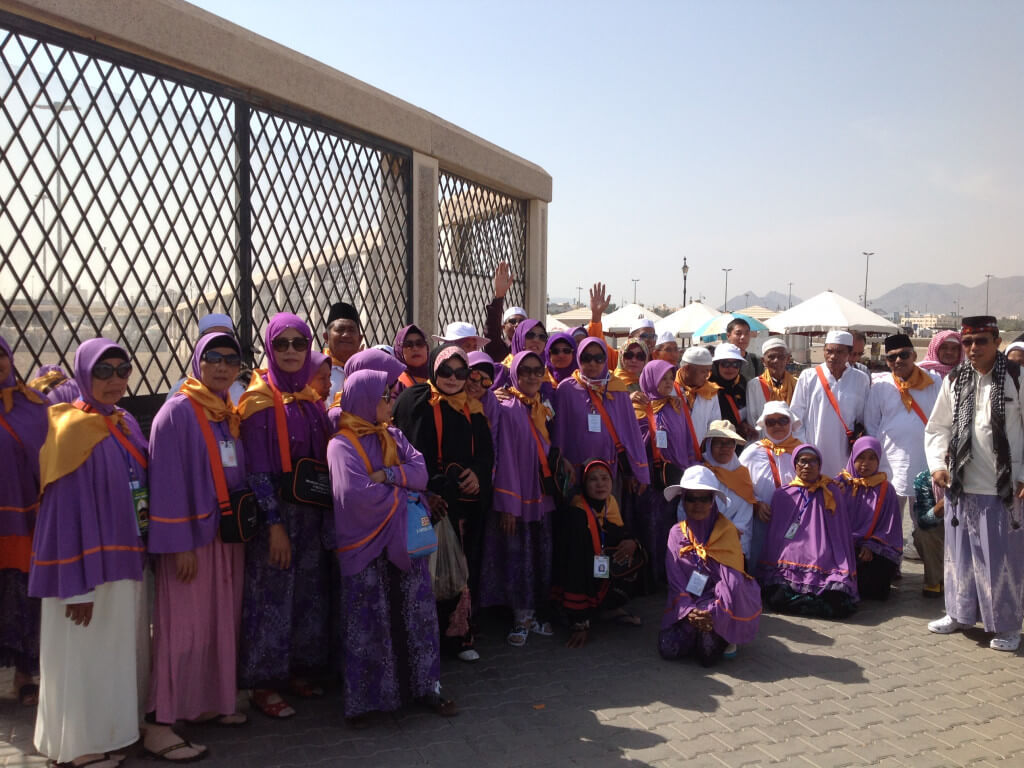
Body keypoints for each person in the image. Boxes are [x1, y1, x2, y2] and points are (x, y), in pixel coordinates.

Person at [30, 339, 165, 767]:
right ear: (83, 375)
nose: (114, 381)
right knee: (79, 660)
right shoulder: (70, 430)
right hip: (85, 573)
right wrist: (76, 589)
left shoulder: (123, 422)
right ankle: (76, 748)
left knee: (108, 658)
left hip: (121, 562)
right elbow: (62, 516)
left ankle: (104, 736)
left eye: (121, 370)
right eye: (102, 372)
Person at [329, 370, 454, 723]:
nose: (390, 401)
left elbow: (420, 472)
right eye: (384, 396)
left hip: (403, 542)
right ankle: (372, 700)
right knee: (371, 620)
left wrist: (390, 477)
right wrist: (407, 495)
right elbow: (353, 496)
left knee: (416, 616)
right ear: (366, 400)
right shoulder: (341, 444)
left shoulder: (394, 436)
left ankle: (425, 686)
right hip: (367, 546)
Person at [146, 333, 249, 740]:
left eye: (230, 359)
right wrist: (180, 545)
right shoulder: (177, 413)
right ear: (197, 361)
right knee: (184, 630)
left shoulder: (226, 411)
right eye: (213, 358)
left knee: (220, 625)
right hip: (192, 541)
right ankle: (164, 717)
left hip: (225, 538)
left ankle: (210, 703)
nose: (222, 366)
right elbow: (166, 484)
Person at [237, 313, 332, 717]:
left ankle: (294, 669)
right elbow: (257, 470)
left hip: (311, 514)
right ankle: (263, 682)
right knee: (271, 597)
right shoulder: (258, 401)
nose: (291, 351)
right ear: (269, 348)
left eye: (299, 343)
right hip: (277, 516)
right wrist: (274, 525)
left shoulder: (309, 400)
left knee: (307, 596)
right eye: (282, 344)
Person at [924, 315, 1024, 652]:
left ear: (997, 341)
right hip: (960, 486)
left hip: (1003, 487)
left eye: (981, 341)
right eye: (967, 342)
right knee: (959, 556)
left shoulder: (1016, 377)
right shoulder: (954, 379)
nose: (973, 348)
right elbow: (937, 427)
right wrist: (938, 464)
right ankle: (958, 614)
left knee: (1002, 560)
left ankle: (1007, 627)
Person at [392, 344, 494, 662]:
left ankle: (458, 636)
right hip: (424, 501)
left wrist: (478, 474)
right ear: (435, 370)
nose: (452, 378)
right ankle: (421, 642)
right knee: (423, 570)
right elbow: (403, 448)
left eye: (460, 372)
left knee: (458, 567)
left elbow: (485, 455)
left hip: (462, 504)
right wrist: (426, 492)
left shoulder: (472, 408)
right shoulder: (415, 399)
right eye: (446, 370)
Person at [480, 351, 558, 645]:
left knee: (538, 556)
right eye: (524, 370)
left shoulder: (542, 405)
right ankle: (520, 618)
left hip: (541, 494)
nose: (532, 376)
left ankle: (534, 613)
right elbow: (503, 457)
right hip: (517, 496)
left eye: (538, 370)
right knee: (517, 558)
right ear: (513, 372)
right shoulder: (505, 405)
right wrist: (508, 505)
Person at [659, 466, 761, 665]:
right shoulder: (676, 533)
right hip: (687, 602)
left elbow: (731, 583)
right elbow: (676, 581)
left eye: (704, 498)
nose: (697, 505)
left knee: (707, 656)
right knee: (668, 649)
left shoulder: (727, 532)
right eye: (691, 498)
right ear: (683, 500)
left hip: (718, 603)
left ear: (713, 501)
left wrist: (712, 612)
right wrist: (689, 610)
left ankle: (725, 631)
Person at [0, 335, 48, 708]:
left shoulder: (35, 407)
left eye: (0, 354)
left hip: (24, 523)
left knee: (22, 595)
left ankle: (24, 674)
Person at [551, 459, 645, 648]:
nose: (600, 484)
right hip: (581, 574)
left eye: (604, 478)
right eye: (593, 479)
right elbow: (574, 566)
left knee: (638, 558)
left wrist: (631, 542)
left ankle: (608, 610)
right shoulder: (577, 513)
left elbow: (621, 532)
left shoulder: (611, 504)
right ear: (584, 485)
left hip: (599, 568)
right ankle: (581, 615)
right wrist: (580, 623)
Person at [758, 443, 858, 619]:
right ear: (795, 465)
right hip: (789, 564)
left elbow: (840, 533)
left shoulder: (831, 491)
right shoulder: (783, 494)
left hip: (826, 562)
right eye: (802, 461)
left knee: (839, 602)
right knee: (777, 597)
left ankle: (805, 602)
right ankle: (810, 603)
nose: (807, 466)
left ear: (820, 465)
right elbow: (775, 537)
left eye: (813, 462)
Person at [551, 337, 650, 498]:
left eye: (599, 358)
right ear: (578, 358)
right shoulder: (567, 389)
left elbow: (631, 433)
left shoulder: (617, 389)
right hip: (575, 470)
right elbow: (559, 431)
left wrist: (640, 471)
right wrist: (559, 461)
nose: (593, 363)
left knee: (609, 516)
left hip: (608, 472)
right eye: (586, 358)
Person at [865, 333, 941, 536]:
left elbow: (944, 421)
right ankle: (892, 567)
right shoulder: (880, 385)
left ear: (914, 356)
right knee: (888, 525)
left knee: (926, 528)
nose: (898, 360)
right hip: (890, 464)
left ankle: (931, 567)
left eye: (904, 355)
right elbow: (871, 424)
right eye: (891, 357)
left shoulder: (934, 382)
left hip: (926, 464)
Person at [635, 360, 696, 583]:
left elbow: (687, 440)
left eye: (671, 378)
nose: (669, 383)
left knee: (675, 526)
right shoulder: (639, 407)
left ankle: (672, 574)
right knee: (652, 527)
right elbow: (635, 444)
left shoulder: (677, 406)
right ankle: (653, 576)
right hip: (651, 480)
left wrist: (688, 469)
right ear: (651, 379)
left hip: (676, 476)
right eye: (663, 379)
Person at [790, 330, 870, 477]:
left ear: (849, 353)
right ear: (824, 350)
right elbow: (796, 416)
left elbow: (862, 418)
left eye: (840, 352)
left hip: (845, 454)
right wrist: (805, 448)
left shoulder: (861, 379)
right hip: (813, 452)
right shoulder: (808, 376)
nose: (833, 356)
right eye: (829, 351)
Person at [837, 437, 902, 601]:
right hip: (842, 546)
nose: (866, 463)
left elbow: (890, 526)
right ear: (853, 458)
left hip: (871, 547)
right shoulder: (840, 484)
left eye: (872, 458)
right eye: (861, 457)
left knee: (876, 588)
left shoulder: (886, 489)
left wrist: (871, 545)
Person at [739, 402, 802, 570]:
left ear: (791, 422)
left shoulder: (802, 451)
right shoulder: (751, 452)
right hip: (762, 519)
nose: (777, 426)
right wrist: (756, 503)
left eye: (782, 420)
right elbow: (738, 484)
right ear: (764, 425)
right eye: (771, 422)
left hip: (795, 519)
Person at [700, 421, 755, 559]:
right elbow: (688, 507)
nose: (724, 448)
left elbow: (746, 510)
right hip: (703, 539)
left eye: (729, 443)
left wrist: (731, 531)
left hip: (735, 540)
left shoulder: (742, 474)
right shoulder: (700, 473)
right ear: (710, 445)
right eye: (719, 442)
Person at [164, 313, 246, 403]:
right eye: (210, 338)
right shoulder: (179, 396)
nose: (220, 342)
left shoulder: (245, 389)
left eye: (226, 337)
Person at [745, 337, 796, 429]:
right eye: (771, 357)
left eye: (781, 357)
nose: (776, 360)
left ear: (788, 359)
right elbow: (752, 420)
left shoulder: (797, 384)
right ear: (763, 361)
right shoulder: (755, 385)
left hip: (793, 438)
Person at [675, 346, 722, 446]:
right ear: (687, 369)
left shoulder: (711, 391)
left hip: (699, 455)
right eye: (703, 371)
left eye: (709, 370)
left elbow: (714, 425)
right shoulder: (669, 389)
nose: (707, 375)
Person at [911, 469, 945, 598]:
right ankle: (935, 579)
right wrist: (938, 509)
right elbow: (923, 521)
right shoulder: (925, 478)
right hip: (944, 527)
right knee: (922, 534)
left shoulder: (977, 474)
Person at [710, 343, 755, 439]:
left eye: (735, 364)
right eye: (725, 364)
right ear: (716, 365)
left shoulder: (744, 384)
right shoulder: (707, 389)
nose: (730, 368)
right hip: (718, 444)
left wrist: (745, 425)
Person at [483, 261, 522, 362]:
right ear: (503, 327)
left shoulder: (533, 348)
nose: (517, 324)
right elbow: (492, 331)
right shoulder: (498, 348)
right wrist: (499, 296)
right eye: (512, 321)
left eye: (521, 322)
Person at [323, 301, 362, 402]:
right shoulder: (315, 370)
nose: (346, 335)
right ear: (326, 337)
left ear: (360, 339)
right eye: (340, 329)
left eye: (351, 330)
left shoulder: (368, 368)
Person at [393, 323, 431, 392]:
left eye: (420, 343)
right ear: (399, 350)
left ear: (427, 348)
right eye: (408, 345)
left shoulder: (442, 377)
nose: (415, 348)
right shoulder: (394, 382)